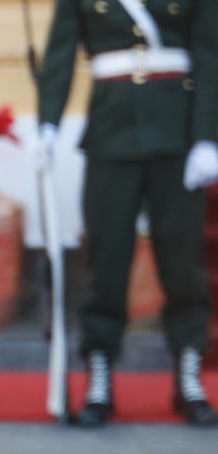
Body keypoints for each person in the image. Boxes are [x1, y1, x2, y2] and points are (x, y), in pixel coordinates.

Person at [36, 0, 218, 426]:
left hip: (178, 127)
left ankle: (187, 372)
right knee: (106, 255)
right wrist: (47, 123)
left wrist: (208, 137)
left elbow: (210, 54)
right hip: (110, 129)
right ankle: (100, 373)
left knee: (182, 258)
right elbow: (61, 51)